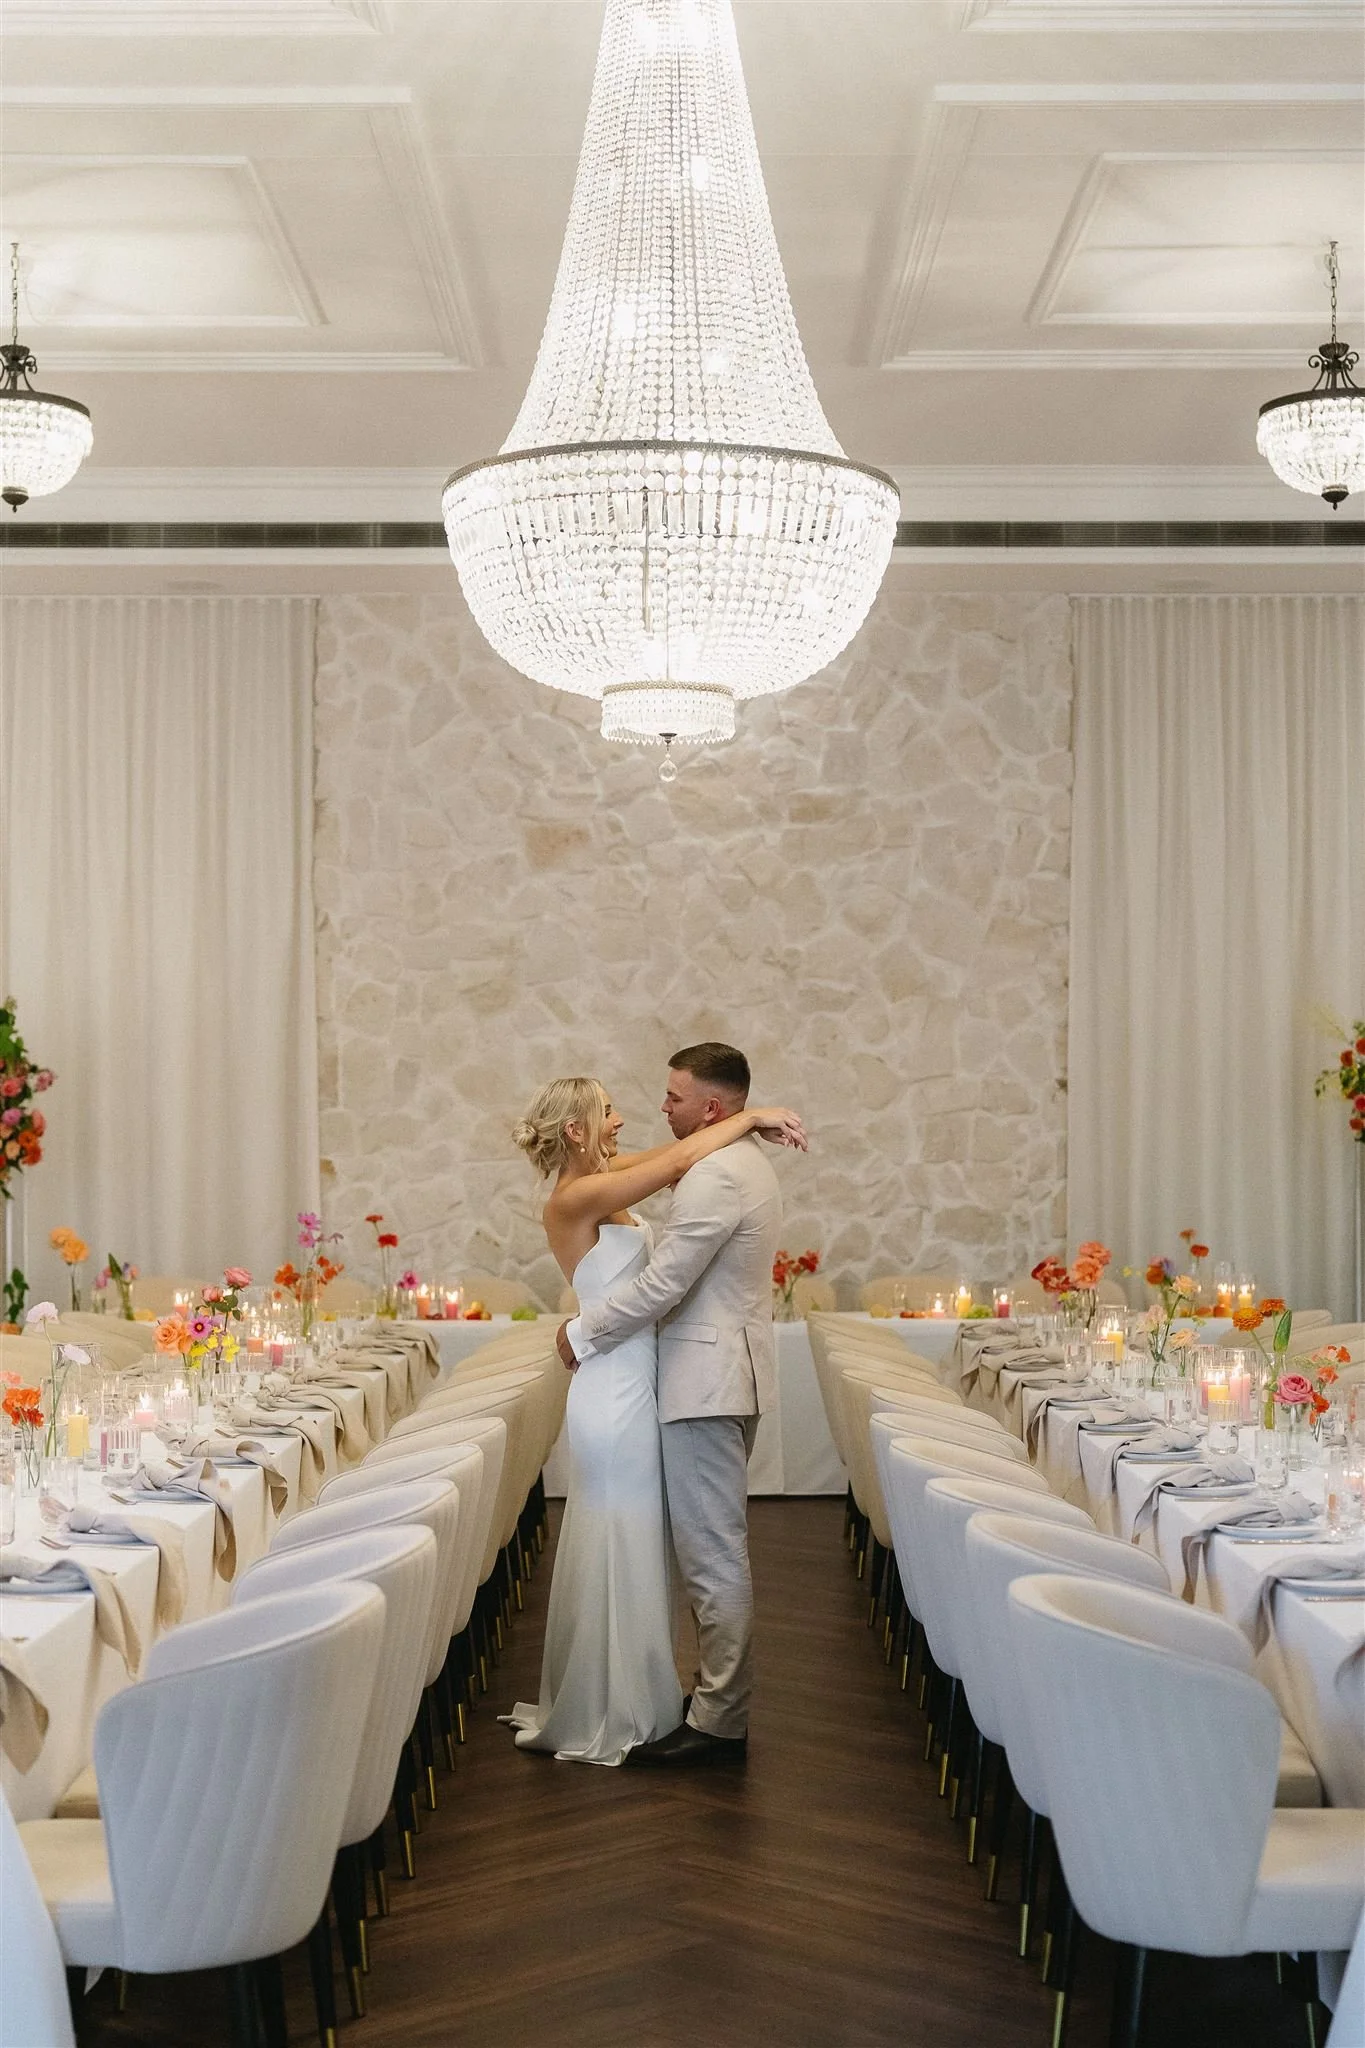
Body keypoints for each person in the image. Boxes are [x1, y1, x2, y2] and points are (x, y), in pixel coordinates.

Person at [506, 1068, 805, 1765]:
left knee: (641, 1541)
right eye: (606, 1112)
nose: (622, 1120)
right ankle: (612, 1703)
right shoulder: (577, 1195)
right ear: (575, 1128)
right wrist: (754, 1113)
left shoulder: (608, 1172)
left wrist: (736, 1120)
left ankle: (640, 1693)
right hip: (612, 1384)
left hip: (644, 1377)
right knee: (620, 1532)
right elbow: (678, 1159)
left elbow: (679, 1155)